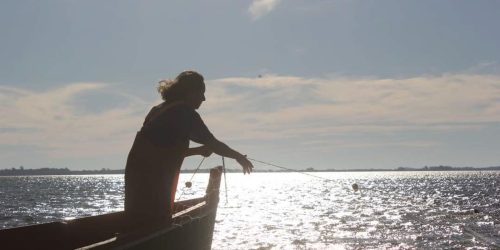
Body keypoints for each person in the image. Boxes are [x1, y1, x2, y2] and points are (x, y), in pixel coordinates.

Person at [124, 70, 253, 227]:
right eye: (201, 93)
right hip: (154, 180)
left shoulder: (157, 110)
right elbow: (214, 143)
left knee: (136, 221)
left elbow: (163, 151)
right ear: (190, 93)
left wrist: (198, 151)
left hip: (135, 176)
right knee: (155, 223)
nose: (204, 99)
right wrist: (238, 156)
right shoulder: (184, 113)